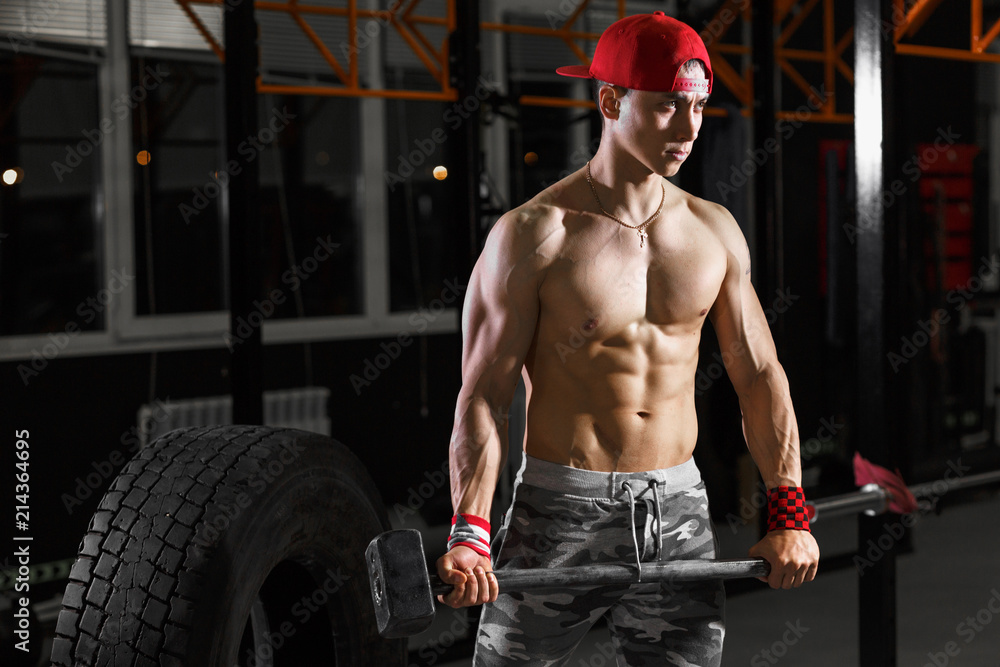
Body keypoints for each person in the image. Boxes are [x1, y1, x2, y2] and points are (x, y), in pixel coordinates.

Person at [435, 11, 820, 666]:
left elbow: (759, 374)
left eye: (698, 107)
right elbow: (484, 395)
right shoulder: (534, 235)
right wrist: (469, 530)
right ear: (611, 100)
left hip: (678, 505)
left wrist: (789, 508)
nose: (690, 128)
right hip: (560, 508)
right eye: (670, 106)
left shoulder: (713, 232)